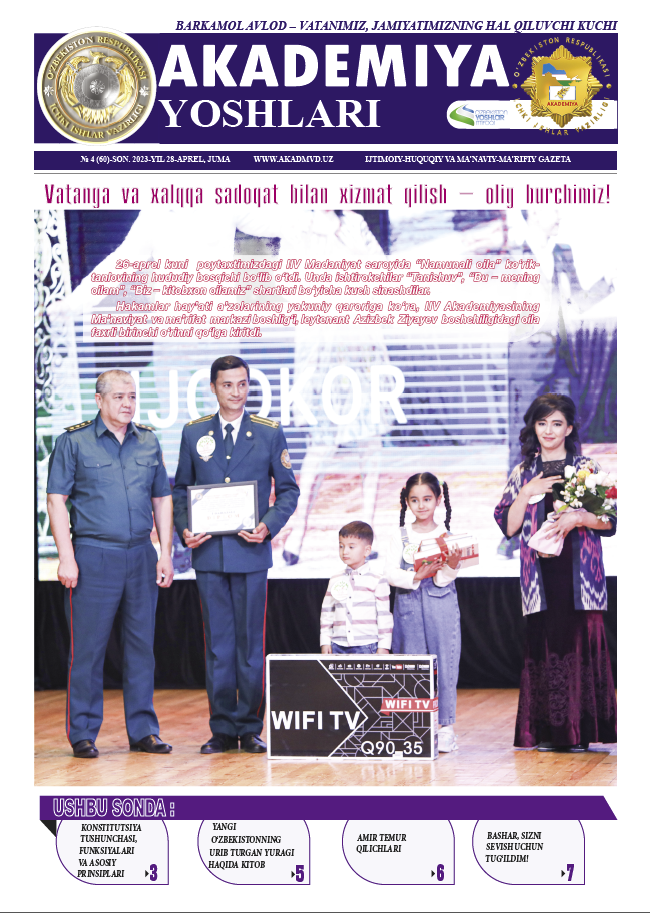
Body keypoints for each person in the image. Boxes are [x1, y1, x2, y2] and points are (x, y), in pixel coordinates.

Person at [172, 355, 299, 754]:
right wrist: (185, 528)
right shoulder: (194, 433)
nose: (236, 392)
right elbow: (180, 491)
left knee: (250, 647)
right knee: (218, 646)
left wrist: (268, 526)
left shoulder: (268, 432)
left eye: (243, 384)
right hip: (210, 556)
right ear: (213, 387)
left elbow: (288, 491)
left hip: (251, 554)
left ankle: (250, 727)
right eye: (228, 385)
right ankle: (222, 729)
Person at [46, 370, 174, 758]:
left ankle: (144, 731)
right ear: (99, 400)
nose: (127, 404)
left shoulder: (148, 441)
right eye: (119, 397)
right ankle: (83, 733)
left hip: (140, 555)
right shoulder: (74, 441)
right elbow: (56, 500)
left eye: (132, 396)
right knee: (88, 651)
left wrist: (165, 552)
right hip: (93, 556)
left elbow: (162, 499)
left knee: (141, 648)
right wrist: (66, 557)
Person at [494, 394, 617, 752]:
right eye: (542, 423)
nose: (549, 430)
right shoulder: (523, 472)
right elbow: (508, 526)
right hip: (539, 579)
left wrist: (579, 517)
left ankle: (582, 732)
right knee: (543, 646)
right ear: (534, 427)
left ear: (569, 428)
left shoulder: (587, 468)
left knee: (581, 645)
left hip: (580, 577)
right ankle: (548, 732)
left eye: (557, 423)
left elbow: (610, 521)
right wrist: (527, 492)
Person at [384, 473, 462, 753]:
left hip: (441, 601)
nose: (421, 505)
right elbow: (390, 573)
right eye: (415, 500)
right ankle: (414, 724)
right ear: (407, 502)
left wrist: (451, 566)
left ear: (438, 500)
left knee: (445, 661)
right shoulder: (399, 535)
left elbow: (446, 579)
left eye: (427, 499)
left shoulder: (447, 536)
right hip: (408, 601)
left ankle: (446, 727)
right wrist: (415, 576)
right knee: (410, 662)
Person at [320, 521, 392, 655]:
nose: (345, 551)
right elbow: (327, 612)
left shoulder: (378, 580)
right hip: (338, 645)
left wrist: (384, 645)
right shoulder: (335, 579)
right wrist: (325, 641)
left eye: (351, 547)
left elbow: (384, 616)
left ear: (367, 550)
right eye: (341, 546)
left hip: (367, 645)